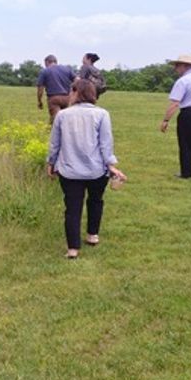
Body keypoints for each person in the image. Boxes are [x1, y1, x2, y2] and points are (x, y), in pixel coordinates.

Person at [47, 78, 127, 259]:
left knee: (72, 208)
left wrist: (51, 163)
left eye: (71, 91)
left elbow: (55, 144)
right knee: (96, 200)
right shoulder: (102, 114)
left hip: (69, 171)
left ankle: (73, 249)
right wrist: (111, 165)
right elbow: (106, 144)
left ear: (76, 92)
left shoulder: (62, 115)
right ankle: (92, 235)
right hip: (96, 170)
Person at [36, 54, 75, 124]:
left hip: (54, 98)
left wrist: (39, 101)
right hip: (66, 98)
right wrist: (73, 93)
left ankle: (52, 132)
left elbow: (40, 88)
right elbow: (77, 80)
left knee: (56, 120)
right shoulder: (67, 69)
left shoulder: (45, 71)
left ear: (47, 62)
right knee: (64, 118)